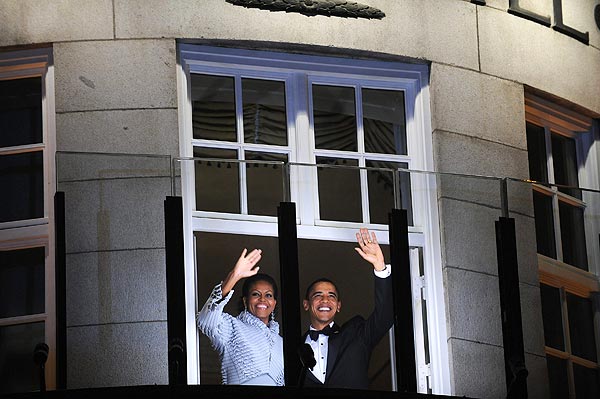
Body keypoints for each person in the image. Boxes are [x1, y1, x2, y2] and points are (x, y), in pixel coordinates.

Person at [300, 228, 393, 389]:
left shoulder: (356, 335)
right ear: (306, 304)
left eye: (332, 296)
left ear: (338, 306)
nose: (325, 300)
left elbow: (385, 316)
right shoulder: (292, 347)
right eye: (317, 295)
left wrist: (380, 266)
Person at [196, 248, 284, 386]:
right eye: (255, 294)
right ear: (245, 300)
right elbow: (205, 320)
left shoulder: (282, 343)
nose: (262, 299)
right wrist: (234, 275)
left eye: (268, 295)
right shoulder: (232, 327)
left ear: (274, 303)